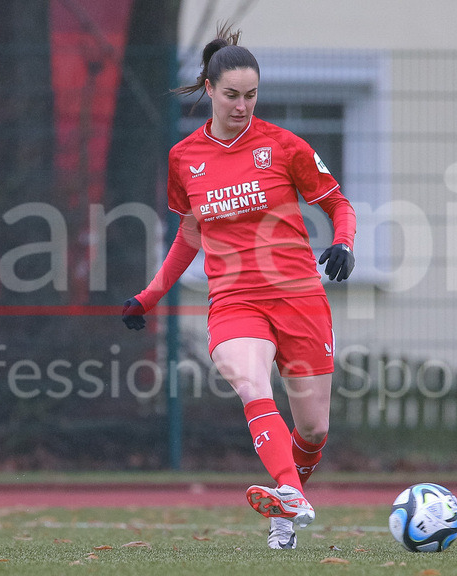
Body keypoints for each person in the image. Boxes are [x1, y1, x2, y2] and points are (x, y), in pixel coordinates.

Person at [121, 25, 356, 550]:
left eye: (251, 95)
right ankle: (292, 492)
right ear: (209, 88)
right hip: (234, 300)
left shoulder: (283, 145)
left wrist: (342, 242)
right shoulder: (184, 158)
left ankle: (285, 511)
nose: (242, 106)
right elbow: (189, 235)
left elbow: (337, 202)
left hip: (299, 297)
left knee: (314, 430)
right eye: (231, 95)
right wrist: (149, 296)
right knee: (251, 382)